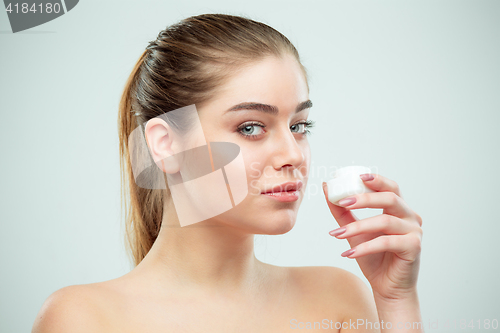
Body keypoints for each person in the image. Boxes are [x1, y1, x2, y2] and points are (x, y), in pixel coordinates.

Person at [32, 13, 424, 332]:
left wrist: (396, 302)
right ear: (166, 145)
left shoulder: (339, 300)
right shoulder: (84, 318)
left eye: (299, 126)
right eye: (250, 127)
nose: (293, 154)